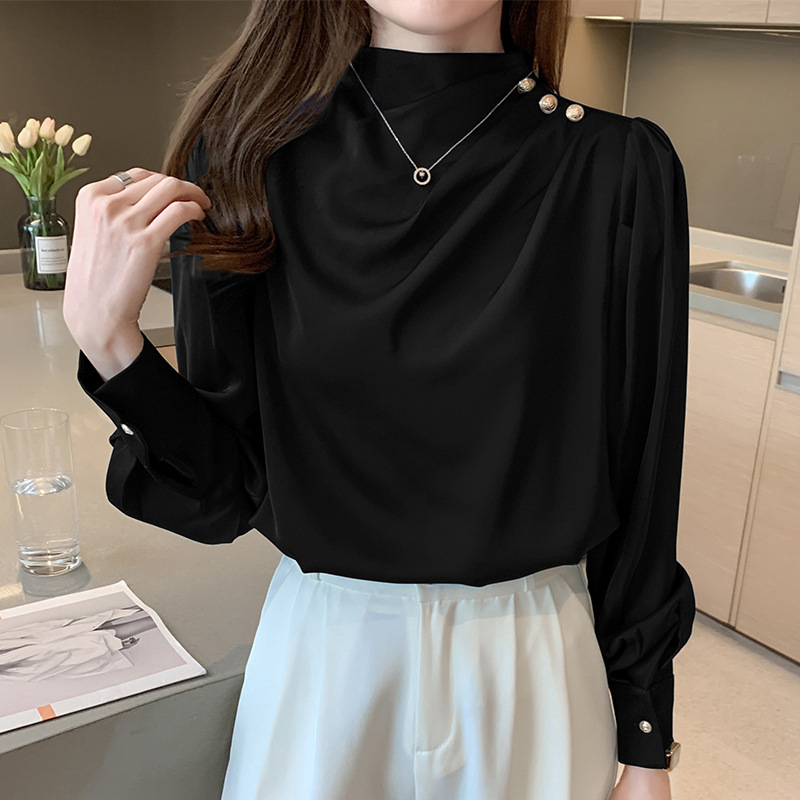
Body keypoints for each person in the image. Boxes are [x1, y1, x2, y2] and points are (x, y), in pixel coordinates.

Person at [62, 1, 696, 798]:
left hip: (536, 666)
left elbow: (645, 473)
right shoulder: (241, 160)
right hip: (325, 666)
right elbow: (226, 493)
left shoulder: (618, 167)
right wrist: (110, 343)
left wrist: (646, 738)